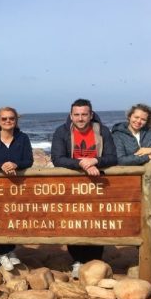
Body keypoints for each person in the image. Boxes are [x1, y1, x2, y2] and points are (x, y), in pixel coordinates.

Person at [51, 98, 117, 278]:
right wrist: (82, 164)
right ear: (71, 115)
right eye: (77, 114)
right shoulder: (62, 131)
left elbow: (112, 157)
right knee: (74, 221)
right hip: (73, 185)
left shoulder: (102, 131)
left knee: (97, 220)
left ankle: (95, 260)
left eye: (84, 114)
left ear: (91, 115)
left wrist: (95, 160)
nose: (80, 118)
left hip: (98, 184)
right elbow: (57, 159)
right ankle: (78, 260)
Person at [112, 104, 151, 258]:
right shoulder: (118, 135)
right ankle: (139, 245)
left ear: (147, 121)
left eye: (143, 119)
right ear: (129, 116)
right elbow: (120, 160)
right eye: (136, 117)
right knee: (135, 213)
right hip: (132, 182)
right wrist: (147, 157)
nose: (138, 121)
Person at [0, 107, 33, 270]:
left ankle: (11, 250)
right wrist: (1, 165)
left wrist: (16, 164)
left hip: (17, 186)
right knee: (0, 217)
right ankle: (3, 253)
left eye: (11, 118)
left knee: (14, 217)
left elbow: (29, 160)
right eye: (4, 119)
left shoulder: (23, 138)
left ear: (16, 120)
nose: (8, 121)